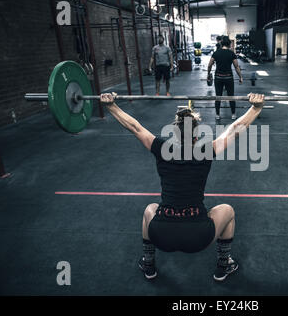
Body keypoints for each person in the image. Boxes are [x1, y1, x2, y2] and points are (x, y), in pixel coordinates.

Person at [100, 92, 265, 281]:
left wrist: (111, 106)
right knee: (227, 210)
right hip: (199, 237)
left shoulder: (161, 148)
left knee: (150, 209)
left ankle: (148, 262)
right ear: (197, 137)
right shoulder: (206, 150)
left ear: (175, 136)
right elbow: (235, 128)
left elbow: (135, 127)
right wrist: (256, 108)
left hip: (161, 235)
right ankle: (224, 263)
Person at [207, 36, 243, 120]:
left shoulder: (216, 53)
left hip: (218, 78)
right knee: (231, 96)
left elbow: (209, 65)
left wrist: (208, 74)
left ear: (221, 43)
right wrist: (240, 77)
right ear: (229, 44)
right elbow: (236, 66)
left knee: (218, 96)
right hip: (228, 78)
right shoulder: (231, 53)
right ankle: (233, 114)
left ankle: (217, 115)